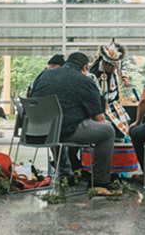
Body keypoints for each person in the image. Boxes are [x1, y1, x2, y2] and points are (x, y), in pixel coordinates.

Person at [31, 51, 118, 193]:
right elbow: (100, 118)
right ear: (85, 67)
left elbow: (32, 98)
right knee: (107, 132)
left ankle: (65, 174)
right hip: (63, 131)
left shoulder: (44, 75)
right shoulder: (84, 80)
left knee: (56, 123)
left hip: (37, 130)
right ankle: (100, 182)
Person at [88, 39, 131, 139]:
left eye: (116, 66)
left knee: (125, 120)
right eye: (112, 67)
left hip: (114, 103)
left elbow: (122, 66)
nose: (114, 69)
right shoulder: (94, 73)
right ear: (105, 64)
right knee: (110, 126)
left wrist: (124, 77)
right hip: (101, 105)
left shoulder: (115, 64)